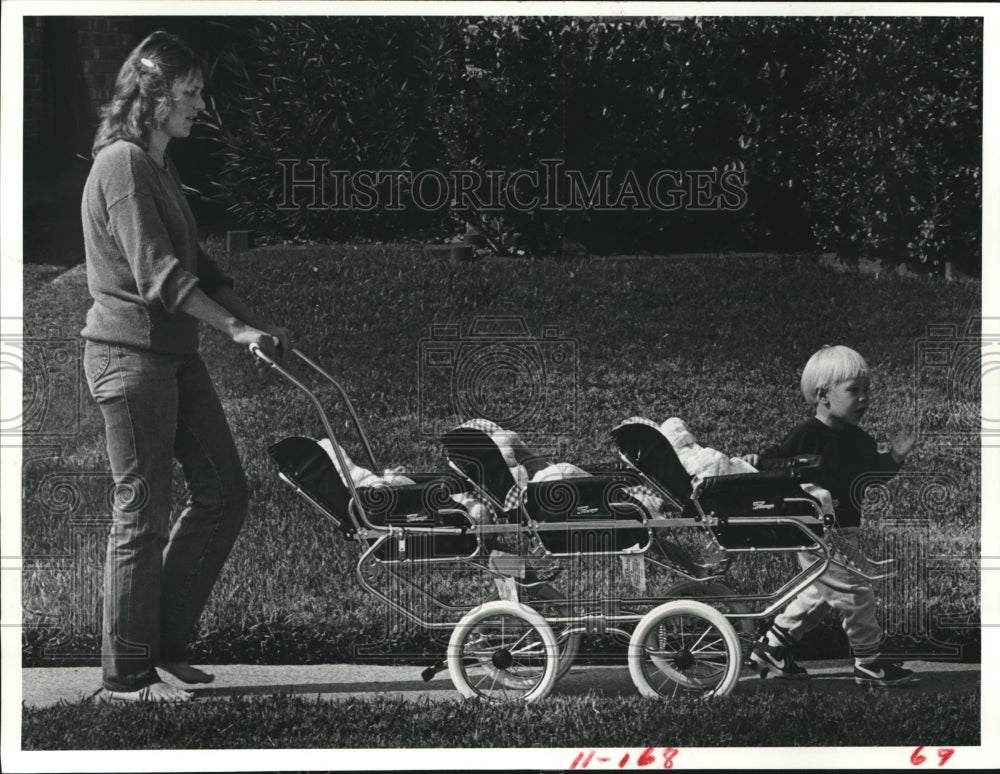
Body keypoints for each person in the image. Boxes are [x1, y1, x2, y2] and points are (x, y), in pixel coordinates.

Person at [81, 31, 291, 702]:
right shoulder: (122, 165)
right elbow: (160, 276)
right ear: (154, 95)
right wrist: (233, 329)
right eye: (191, 91)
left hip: (173, 357)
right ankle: (126, 676)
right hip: (129, 359)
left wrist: (252, 321)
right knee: (140, 514)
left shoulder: (157, 163)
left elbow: (198, 263)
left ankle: (163, 647)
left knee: (224, 493)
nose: (201, 104)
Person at [742, 345, 916, 687]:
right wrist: (756, 461)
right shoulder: (806, 435)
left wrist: (894, 458)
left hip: (844, 531)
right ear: (823, 396)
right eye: (853, 390)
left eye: (867, 390)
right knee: (856, 593)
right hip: (816, 531)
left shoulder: (860, 441)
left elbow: (871, 476)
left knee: (820, 594)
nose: (864, 399)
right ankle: (869, 662)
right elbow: (775, 461)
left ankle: (772, 648)